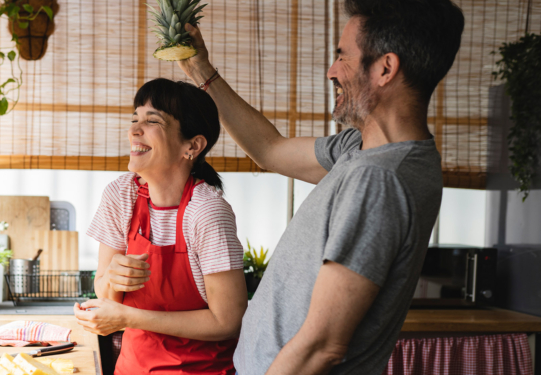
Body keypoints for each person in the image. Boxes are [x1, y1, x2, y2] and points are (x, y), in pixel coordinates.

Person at [176, 0, 465, 374]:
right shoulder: (360, 151)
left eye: (343, 56)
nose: (331, 71)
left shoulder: (378, 179)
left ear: (385, 68)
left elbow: (322, 345)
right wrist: (201, 70)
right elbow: (269, 149)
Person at [74, 78, 247, 374]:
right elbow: (105, 295)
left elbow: (228, 321)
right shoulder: (120, 195)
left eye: (152, 121)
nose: (134, 130)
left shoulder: (206, 211)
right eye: (134, 119)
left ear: (192, 145)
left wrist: (130, 317)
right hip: (132, 368)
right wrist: (113, 281)